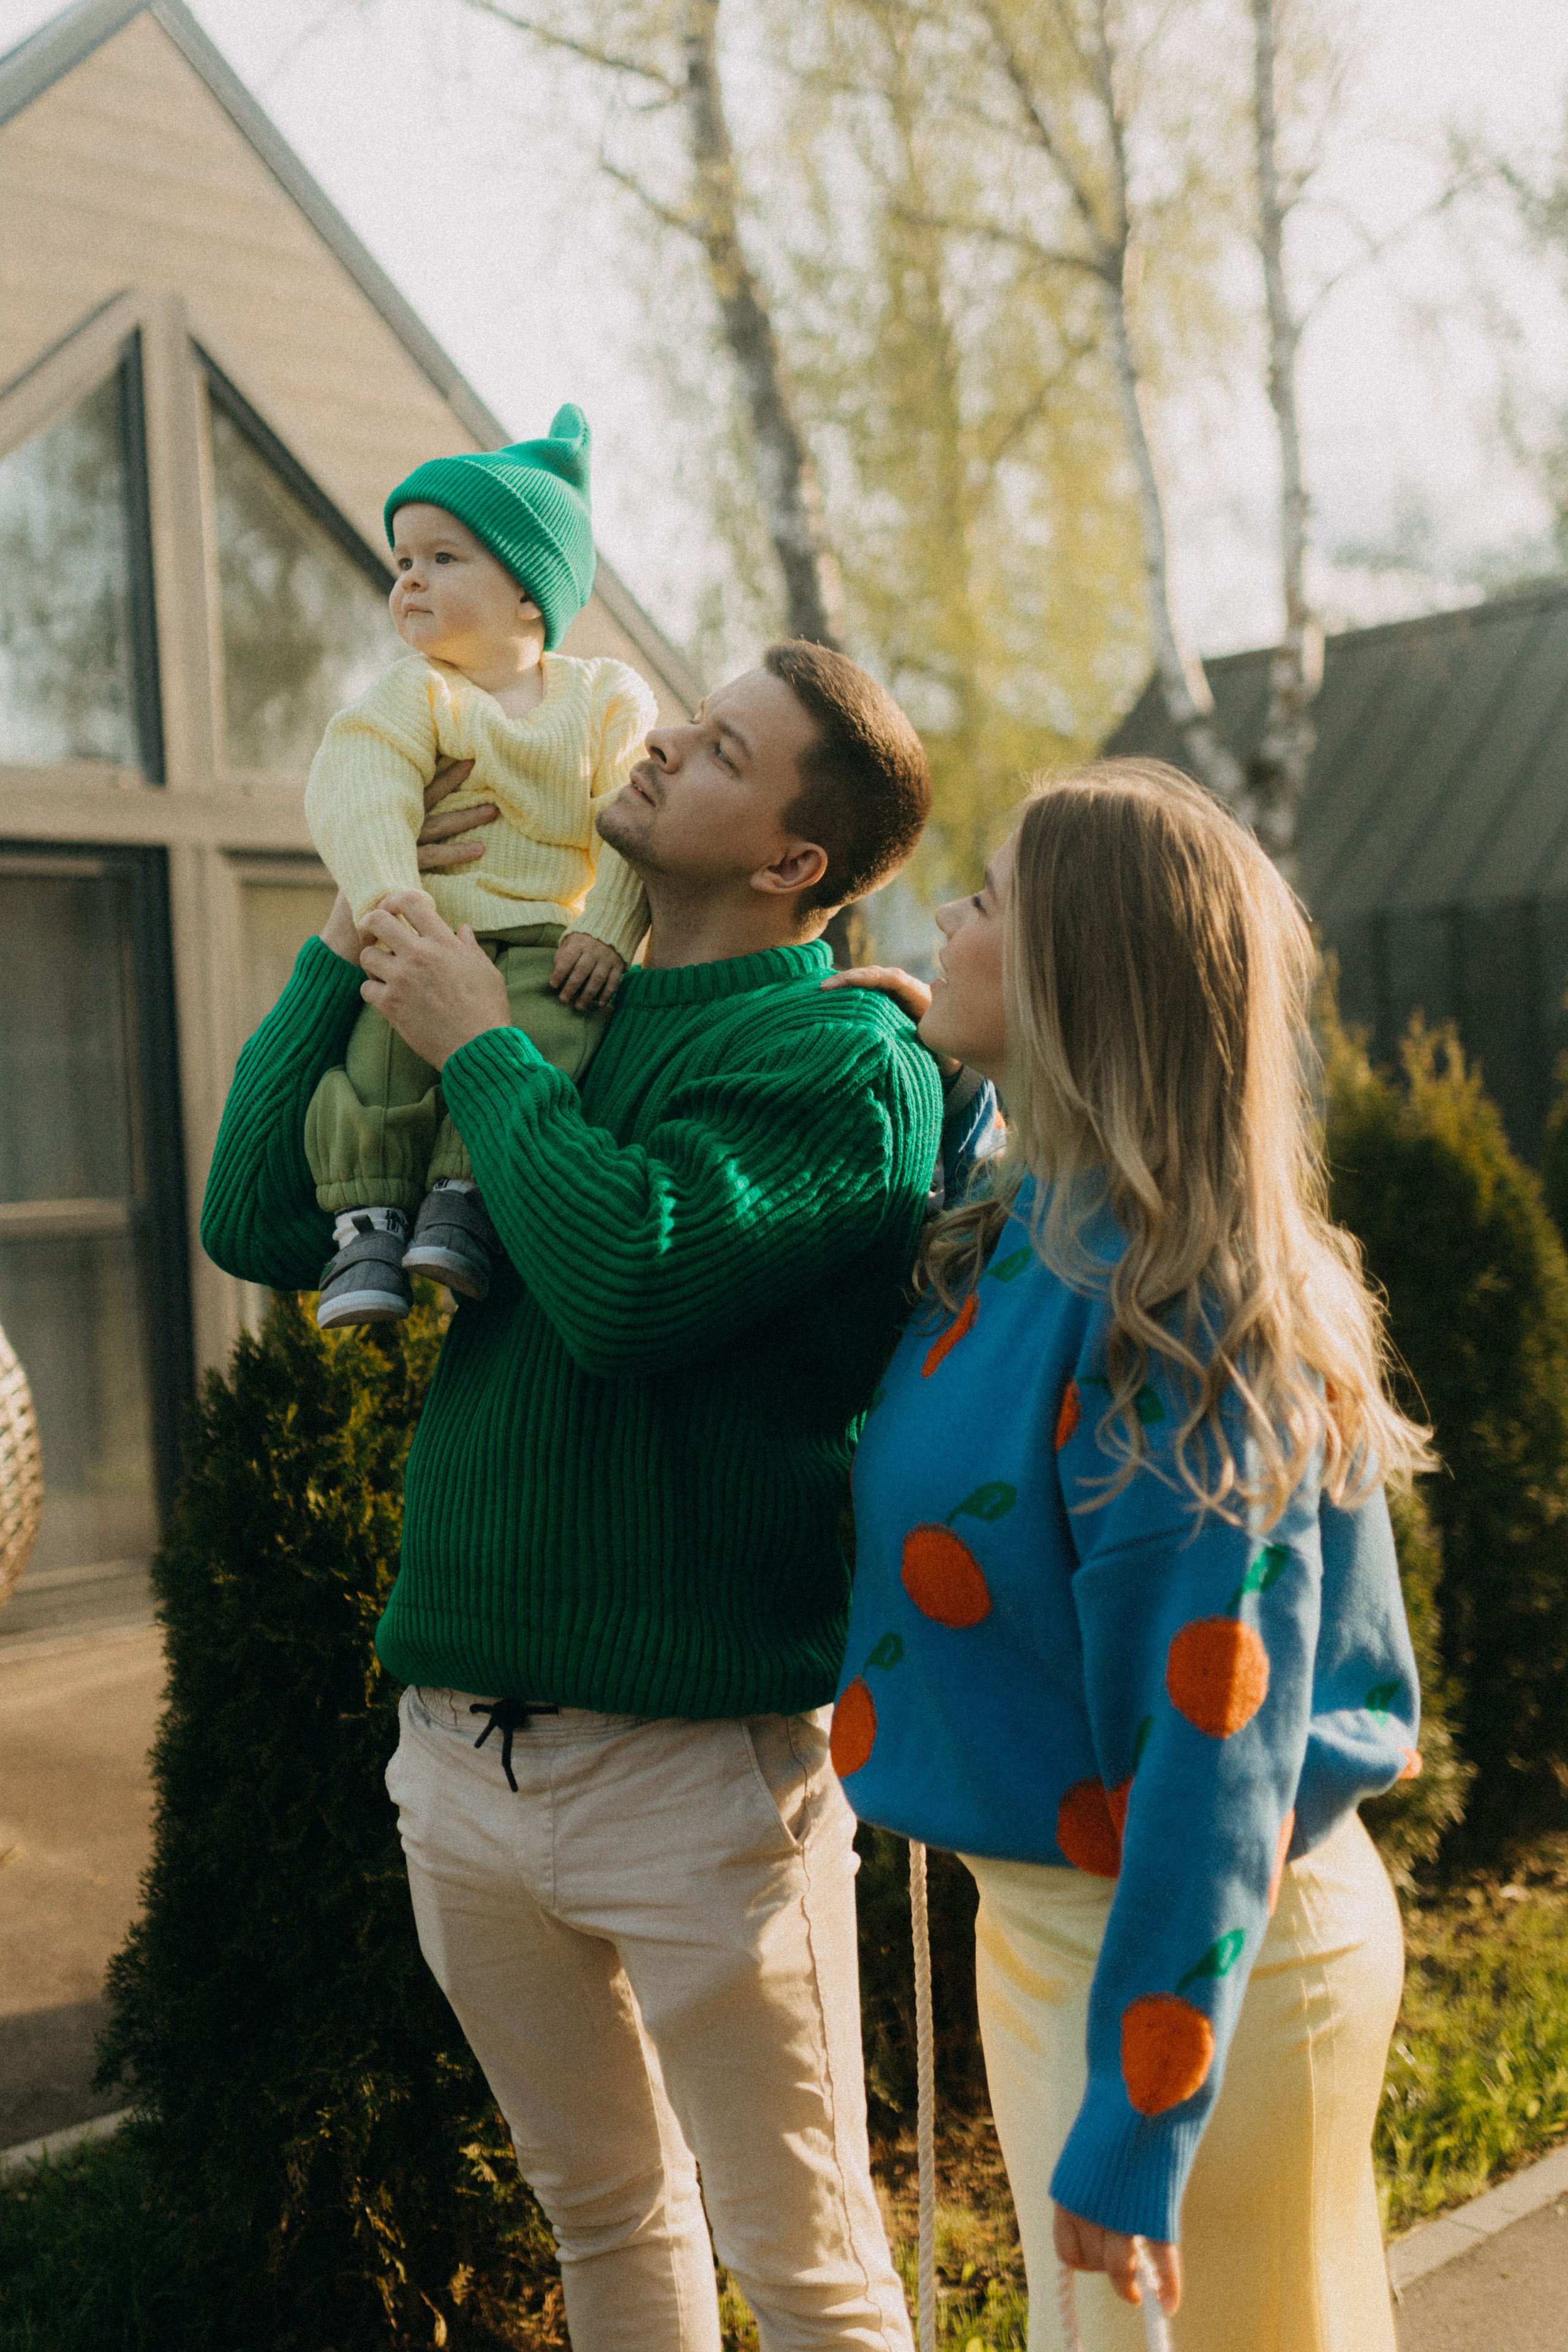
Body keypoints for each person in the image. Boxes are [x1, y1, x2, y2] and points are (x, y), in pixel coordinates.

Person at [202, 641, 949, 2352]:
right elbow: (255, 1217)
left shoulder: (845, 1065)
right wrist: (363, 921)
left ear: (793, 863)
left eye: (723, 748)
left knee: (809, 2267)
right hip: (461, 1756)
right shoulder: (543, 1002)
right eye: (691, 717)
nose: (665, 739)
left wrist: (478, 1043)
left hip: (701, 1782)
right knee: (602, 2216)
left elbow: (625, 1282)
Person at [826, 758, 1426, 2351]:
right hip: (1067, 1932)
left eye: (984, 902)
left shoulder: (1182, 1320)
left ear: (1079, 980)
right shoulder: (1036, 1221)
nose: (944, 922)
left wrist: (1139, 2120)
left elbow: (1215, 1744)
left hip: (1197, 1958)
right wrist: (941, 1080)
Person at [301, 402, 657, 1327]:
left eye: (442, 559)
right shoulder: (414, 692)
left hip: (551, 937)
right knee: (379, 1055)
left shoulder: (603, 697)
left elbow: (629, 817)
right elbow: (362, 779)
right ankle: (370, 1223)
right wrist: (390, 899)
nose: (410, 581)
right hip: (431, 927)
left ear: (531, 593)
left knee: (554, 1032)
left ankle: (464, 1200)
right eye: (403, 563)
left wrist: (610, 931)